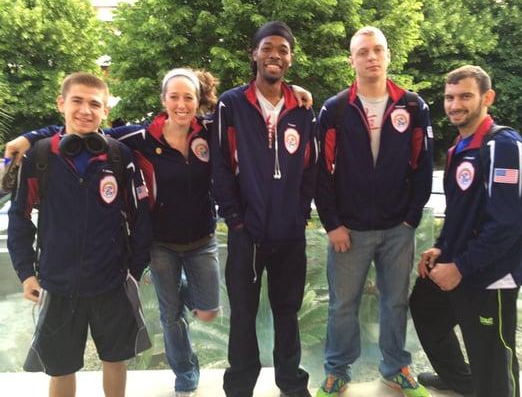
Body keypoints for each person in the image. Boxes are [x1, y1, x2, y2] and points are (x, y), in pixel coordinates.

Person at [5, 67, 313, 397]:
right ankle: (185, 370)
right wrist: (29, 138)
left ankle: (179, 286)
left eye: (189, 97)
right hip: (141, 252)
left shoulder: (203, 133)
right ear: (163, 99)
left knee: (203, 311)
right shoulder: (130, 141)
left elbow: (251, 112)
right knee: (158, 321)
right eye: (174, 96)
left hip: (180, 249)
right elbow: (78, 132)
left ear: (198, 102)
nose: (181, 104)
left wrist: (290, 89)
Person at [7, 72, 153, 397]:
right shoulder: (40, 157)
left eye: (94, 104)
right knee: (61, 368)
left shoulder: (119, 157)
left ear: (105, 112)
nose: (85, 110)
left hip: (110, 283)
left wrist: (133, 269)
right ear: (61, 104)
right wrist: (26, 273)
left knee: (115, 360)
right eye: (77, 101)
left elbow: (141, 219)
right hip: (58, 285)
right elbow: (19, 219)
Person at [314, 26, 433, 397]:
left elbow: (423, 165)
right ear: (351, 60)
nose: (371, 57)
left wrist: (412, 217)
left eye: (377, 50)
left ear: (388, 56)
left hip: (398, 227)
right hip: (350, 229)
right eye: (362, 52)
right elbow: (321, 171)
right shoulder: (334, 109)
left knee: (395, 302)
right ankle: (336, 370)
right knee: (342, 305)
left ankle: (396, 366)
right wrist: (333, 224)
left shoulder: (412, 106)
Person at [409, 65, 522, 397]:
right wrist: (441, 247)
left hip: (491, 276)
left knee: (493, 360)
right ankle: (460, 380)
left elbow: (507, 224)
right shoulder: (458, 148)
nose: (454, 105)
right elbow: (461, 213)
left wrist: (460, 267)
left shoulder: (504, 146)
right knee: (425, 308)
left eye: (465, 96)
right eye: (449, 98)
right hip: (457, 264)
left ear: (486, 98)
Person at [211, 21, 317, 397]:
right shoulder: (232, 104)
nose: (275, 55)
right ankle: (239, 387)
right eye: (268, 48)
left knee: (288, 314)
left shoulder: (303, 109)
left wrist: (300, 214)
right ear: (254, 54)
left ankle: (291, 383)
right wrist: (236, 221)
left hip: (289, 234)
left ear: (290, 58)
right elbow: (221, 166)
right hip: (247, 235)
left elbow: (310, 168)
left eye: (283, 50)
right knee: (242, 316)